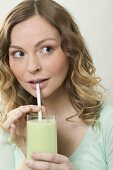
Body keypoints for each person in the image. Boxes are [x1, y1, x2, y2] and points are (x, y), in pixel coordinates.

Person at [0, 0, 113, 169]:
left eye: (46, 49)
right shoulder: (8, 129)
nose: (32, 67)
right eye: (19, 53)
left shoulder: (108, 122)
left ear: (71, 50)